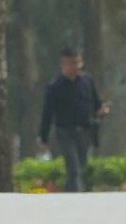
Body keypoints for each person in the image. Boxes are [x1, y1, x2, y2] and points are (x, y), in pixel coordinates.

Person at [36, 47, 107, 191]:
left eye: (77, 63)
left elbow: (96, 103)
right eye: (71, 63)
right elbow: (47, 114)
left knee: (79, 167)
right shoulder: (55, 86)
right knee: (73, 168)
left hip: (85, 132)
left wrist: (102, 110)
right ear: (63, 64)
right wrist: (43, 138)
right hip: (65, 133)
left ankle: (68, 196)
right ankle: (77, 200)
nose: (75, 67)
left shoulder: (87, 81)